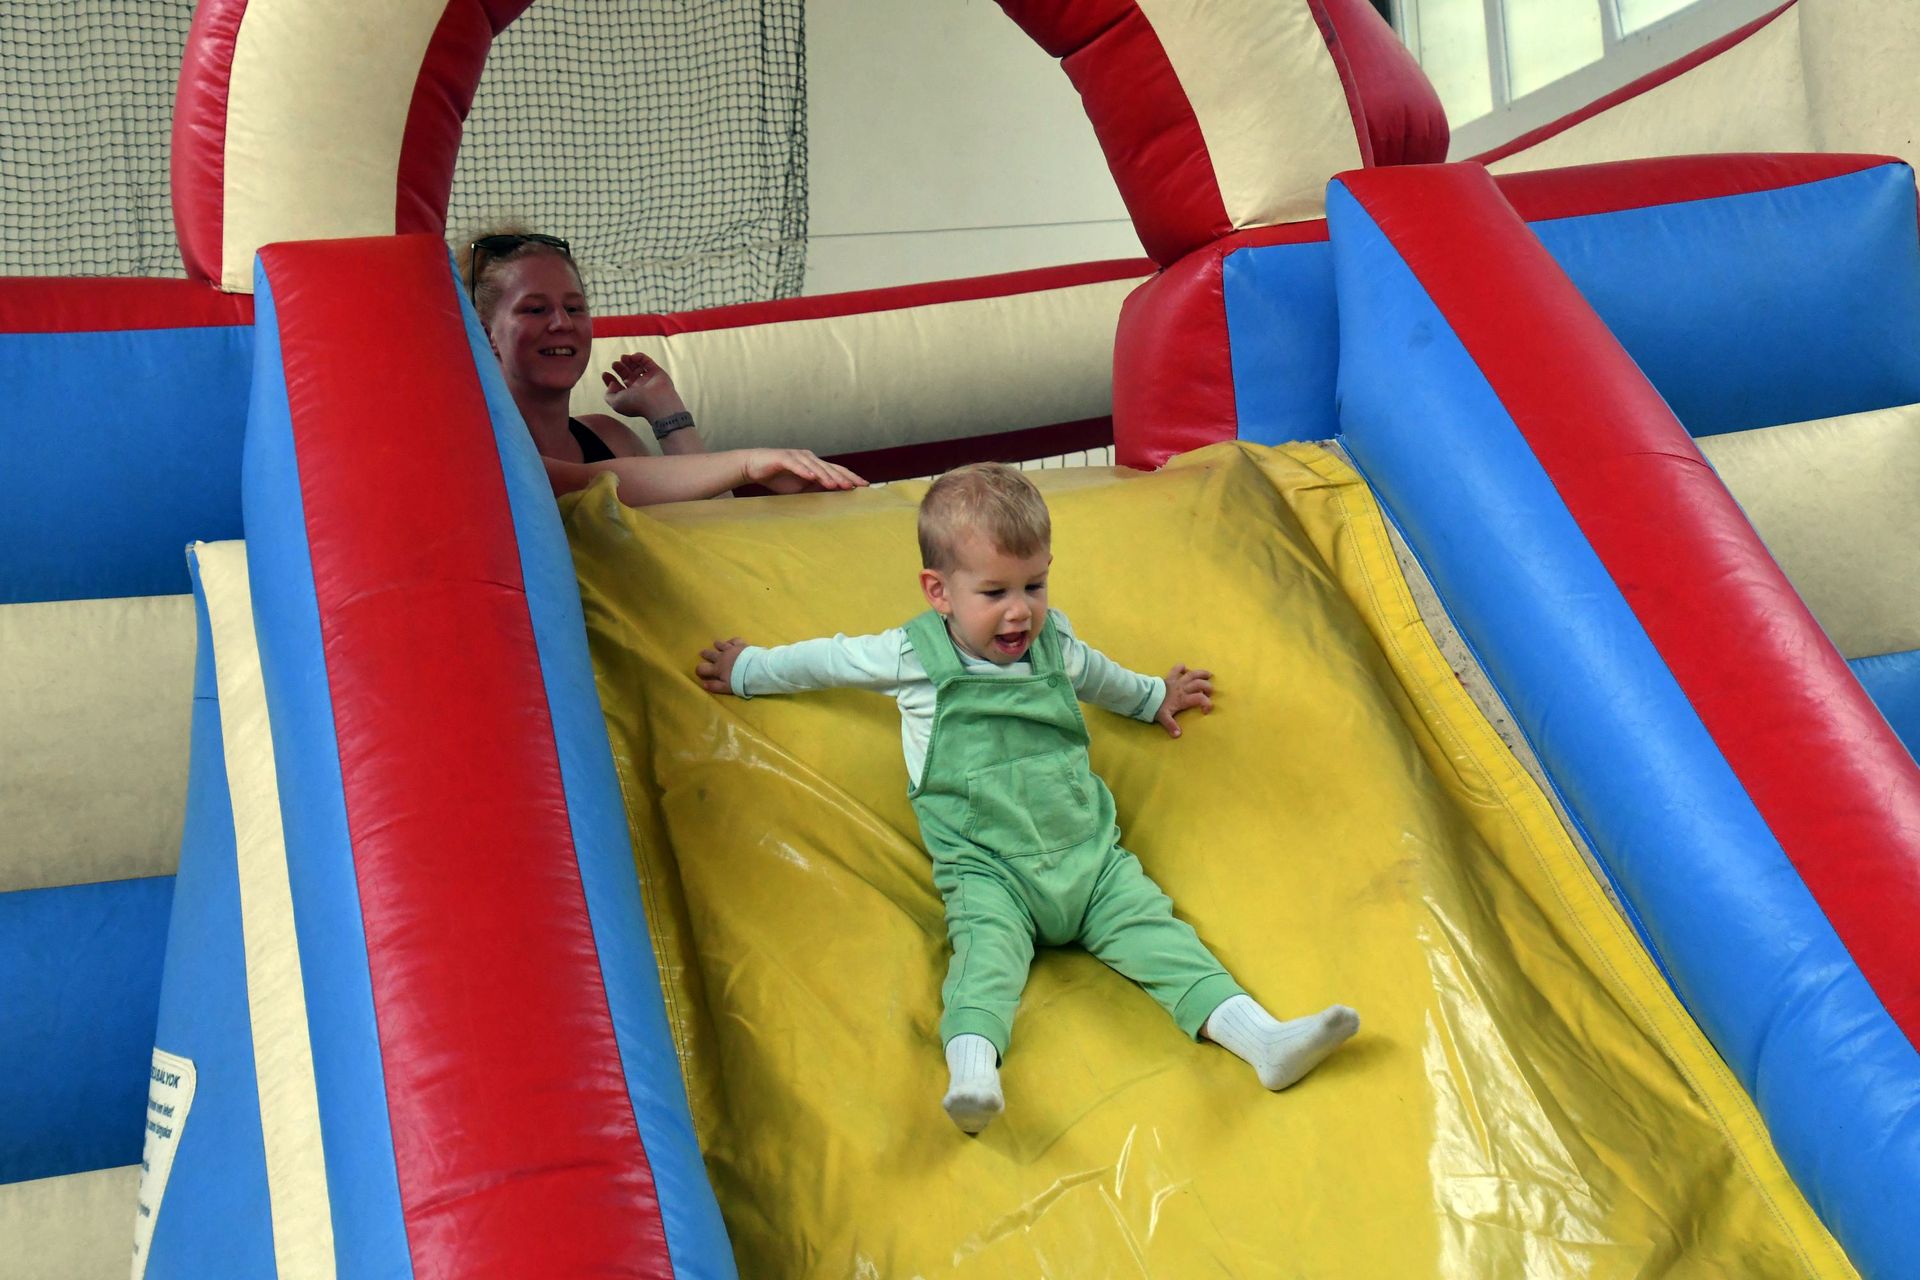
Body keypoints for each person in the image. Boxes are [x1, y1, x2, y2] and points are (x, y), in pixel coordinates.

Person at [694, 462, 1359, 1133]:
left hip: (1089, 861)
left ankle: (1263, 1041)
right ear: (939, 591)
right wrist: (747, 669)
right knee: (985, 967)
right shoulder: (912, 657)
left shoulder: (1053, 645)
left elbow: (1102, 678)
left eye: (1034, 585)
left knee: (1164, 939)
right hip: (989, 874)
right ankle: (973, 1079)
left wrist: (1154, 696)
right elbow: (825, 661)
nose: (1020, 610)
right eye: (995, 592)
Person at [460, 228, 865, 504]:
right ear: (484, 332)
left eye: (574, 308)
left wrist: (667, 413)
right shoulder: (482, 440)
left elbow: (717, 524)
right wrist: (748, 464)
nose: (562, 323)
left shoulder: (607, 437)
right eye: (534, 309)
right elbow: (588, 485)